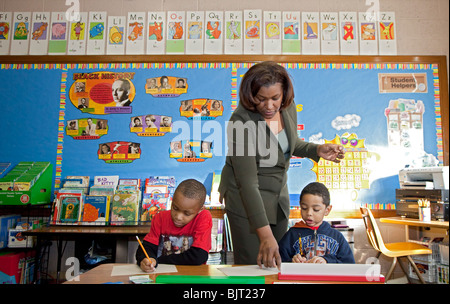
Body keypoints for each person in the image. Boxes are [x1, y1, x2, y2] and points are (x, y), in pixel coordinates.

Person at [218, 61, 345, 269]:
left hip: (277, 198)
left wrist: (316, 150)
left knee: (278, 264)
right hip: (246, 201)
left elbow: (287, 144)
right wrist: (266, 236)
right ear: (250, 95)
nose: (269, 106)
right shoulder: (240, 123)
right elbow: (248, 184)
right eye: (261, 99)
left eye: (275, 98)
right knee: (253, 266)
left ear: (283, 94)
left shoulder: (287, 107)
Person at [136, 179, 212, 272]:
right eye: (175, 208)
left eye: (187, 214)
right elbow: (146, 248)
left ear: (200, 210)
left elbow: (199, 256)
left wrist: (159, 261)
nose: (178, 217)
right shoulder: (160, 218)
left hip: (192, 275)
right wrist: (146, 260)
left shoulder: (203, 217)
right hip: (162, 275)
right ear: (172, 200)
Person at [278, 182, 355, 264]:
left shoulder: (337, 237)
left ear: (327, 210)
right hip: (300, 276)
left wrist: (327, 261)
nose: (309, 213)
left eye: (316, 209)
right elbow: (278, 261)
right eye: (304, 208)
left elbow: (349, 264)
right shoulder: (292, 234)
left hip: (327, 276)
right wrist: (292, 261)